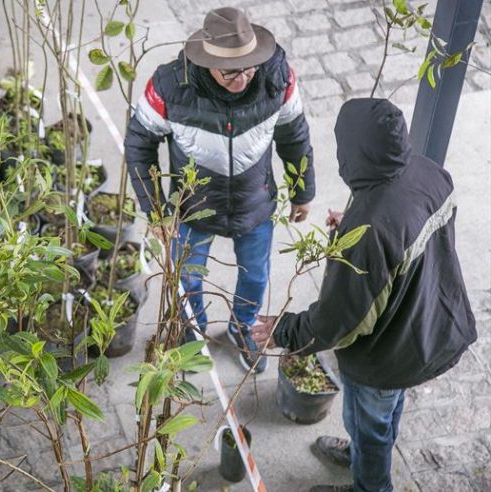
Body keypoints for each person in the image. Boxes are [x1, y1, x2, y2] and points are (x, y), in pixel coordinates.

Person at [252, 98, 477, 492]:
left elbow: (344, 319)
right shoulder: (428, 172)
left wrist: (286, 330)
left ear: (352, 151)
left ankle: (370, 482)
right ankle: (366, 457)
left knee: (368, 423)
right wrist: (354, 221)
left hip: (385, 355)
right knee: (387, 409)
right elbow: (406, 231)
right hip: (424, 329)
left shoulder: (372, 228)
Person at [123, 7, 315, 372]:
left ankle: (242, 328)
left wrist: (303, 190)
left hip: (254, 201)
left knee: (256, 276)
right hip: (193, 207)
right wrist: (157, 211)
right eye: (231, 71)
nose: (242, 78)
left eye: (248, 67)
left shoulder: (278, 78)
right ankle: (192, 332)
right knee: (188, 279)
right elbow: (139, 144)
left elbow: (294, 135)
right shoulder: (168, 85)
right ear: (207, 62)